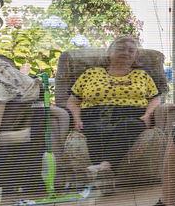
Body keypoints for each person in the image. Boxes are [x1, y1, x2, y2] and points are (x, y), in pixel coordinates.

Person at [64, 34, 163, 180]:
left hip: (131, 116)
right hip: (94, 115)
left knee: (128, 125)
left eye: (131, 51)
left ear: (135, 56)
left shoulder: (142, 75)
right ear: (110, 52)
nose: (126, 53)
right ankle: (105, 171)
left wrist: (147, 116)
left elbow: (155, 98)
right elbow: (73, 101)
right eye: (121, 49)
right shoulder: (91, 73)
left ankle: (103, 168)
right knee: (94, 128)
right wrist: (77, 118)